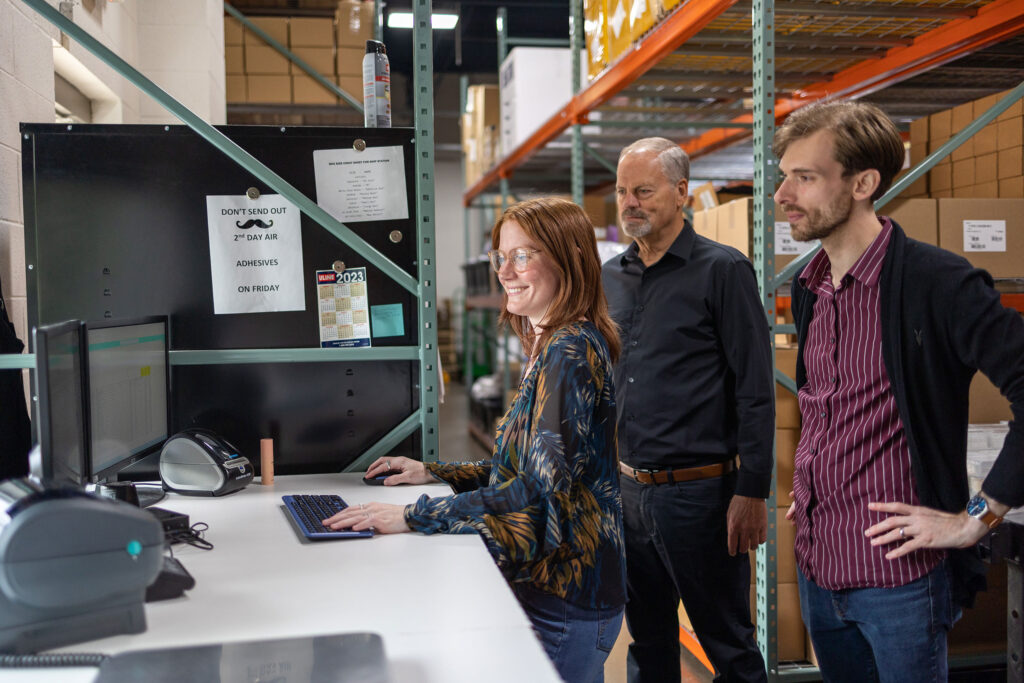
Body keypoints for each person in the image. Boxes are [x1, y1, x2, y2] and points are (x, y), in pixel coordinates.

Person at [324, 197, 627, 683]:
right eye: (500, 257)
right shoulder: (552, 342)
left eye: (523, 255)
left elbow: (538, 489)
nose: (505, 271)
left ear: (569, 258)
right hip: (550, 587)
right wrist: (434, 473)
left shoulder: (568, 351)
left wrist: (414, 515)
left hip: (566, 596)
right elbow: (527, 470)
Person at [775, 100, 1024, 682]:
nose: (782, 195)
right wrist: (816, 476)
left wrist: (975, 519)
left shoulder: (938, 282)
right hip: (819, 565)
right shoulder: (809, 288)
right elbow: (829, 406)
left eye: (804, 178)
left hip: (899, 580)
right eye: (784, 175)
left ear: (863, 183)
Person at [602, 137, 774, 683]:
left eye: (644, 191)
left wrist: (752, 491)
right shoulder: (611, 277)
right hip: (629, 493)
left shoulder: (722, 270)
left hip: (700, 495)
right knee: (648, 644)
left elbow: (755, 389)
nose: (630, 203)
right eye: (623, 192)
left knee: (728, 647)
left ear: (680, 193)